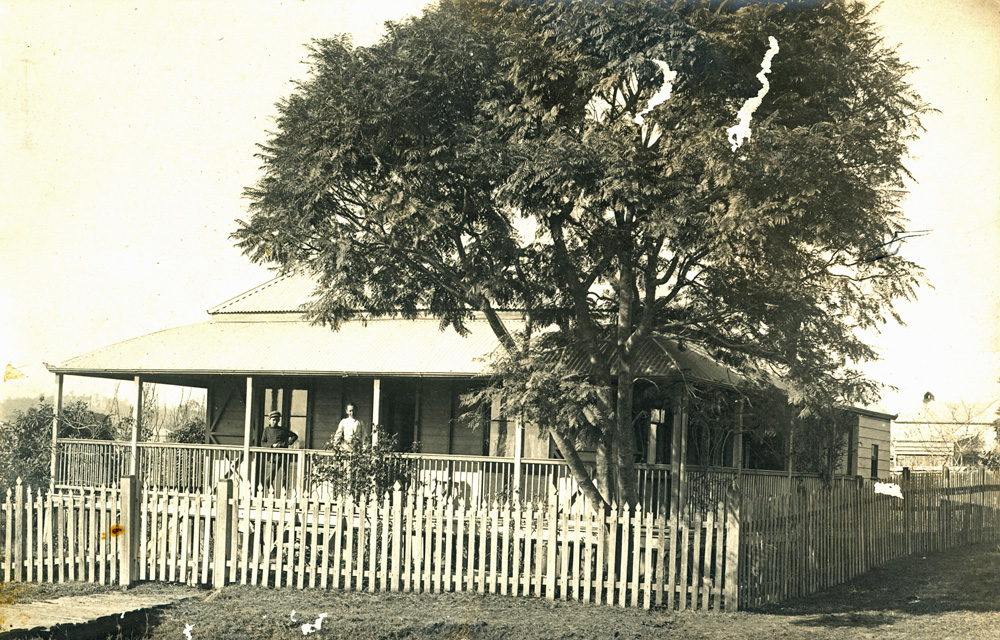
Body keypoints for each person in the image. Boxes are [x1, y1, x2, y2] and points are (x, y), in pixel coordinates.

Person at [261, 410, 297, 492]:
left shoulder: (282, 430)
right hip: (273, 457)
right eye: (273, 420)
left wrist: (285, 444)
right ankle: (271, 491)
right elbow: (263, 443)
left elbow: (294, 436)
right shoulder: (266, 430)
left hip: (283, 456)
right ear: (269, 420)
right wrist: (271, 445)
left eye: (277, 420)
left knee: (285, 476)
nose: (275, 422)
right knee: (269, 477)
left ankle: (284, 492)